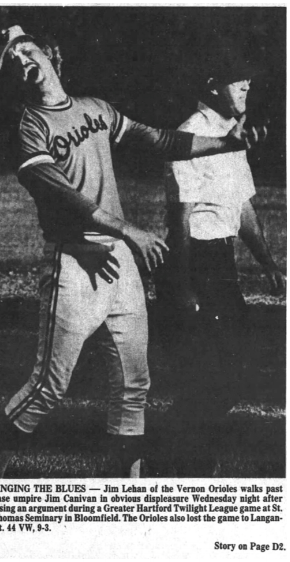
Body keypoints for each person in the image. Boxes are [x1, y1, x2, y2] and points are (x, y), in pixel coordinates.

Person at [0, 25, 263, 478]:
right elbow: (63, 197)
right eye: (12, 61)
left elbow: (160, 140)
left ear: (50, 54)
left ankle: (128, 496)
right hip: (74, 263)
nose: (22, 61)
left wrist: (228, 142)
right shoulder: (30, 127)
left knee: (135, 386)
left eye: (27, 50)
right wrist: (128, 229)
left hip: (122, 268)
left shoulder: (96, 109)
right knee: (48, 388)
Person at [157, 48, 286, 477]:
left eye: (248, 77)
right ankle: (177, 466)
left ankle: (181, 461)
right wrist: (184, 287)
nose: (247, 84)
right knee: (214, 375)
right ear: (212, 85)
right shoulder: (190, 135)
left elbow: (243, 209)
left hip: (221, 262)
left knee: (232, 371)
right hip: (197, 261)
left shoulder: (232, 137)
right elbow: (181, 219)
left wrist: (267, 263)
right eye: (237, 78)